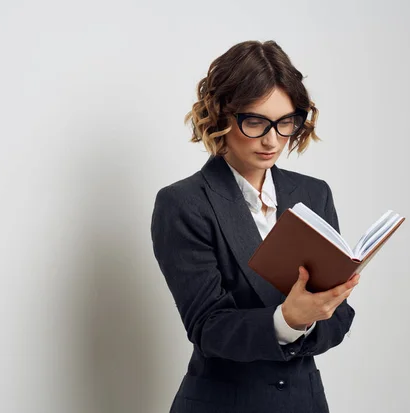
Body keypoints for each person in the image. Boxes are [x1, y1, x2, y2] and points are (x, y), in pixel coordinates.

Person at [150, 40, 360, 413]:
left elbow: (340, 315)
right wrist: (287, 320)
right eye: (254, 121)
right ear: (219, 116)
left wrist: (314, 316)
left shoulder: (313, 194)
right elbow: (207, 327)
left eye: (285, 123)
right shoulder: (183, 203)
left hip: (304, 402)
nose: (271, 139)